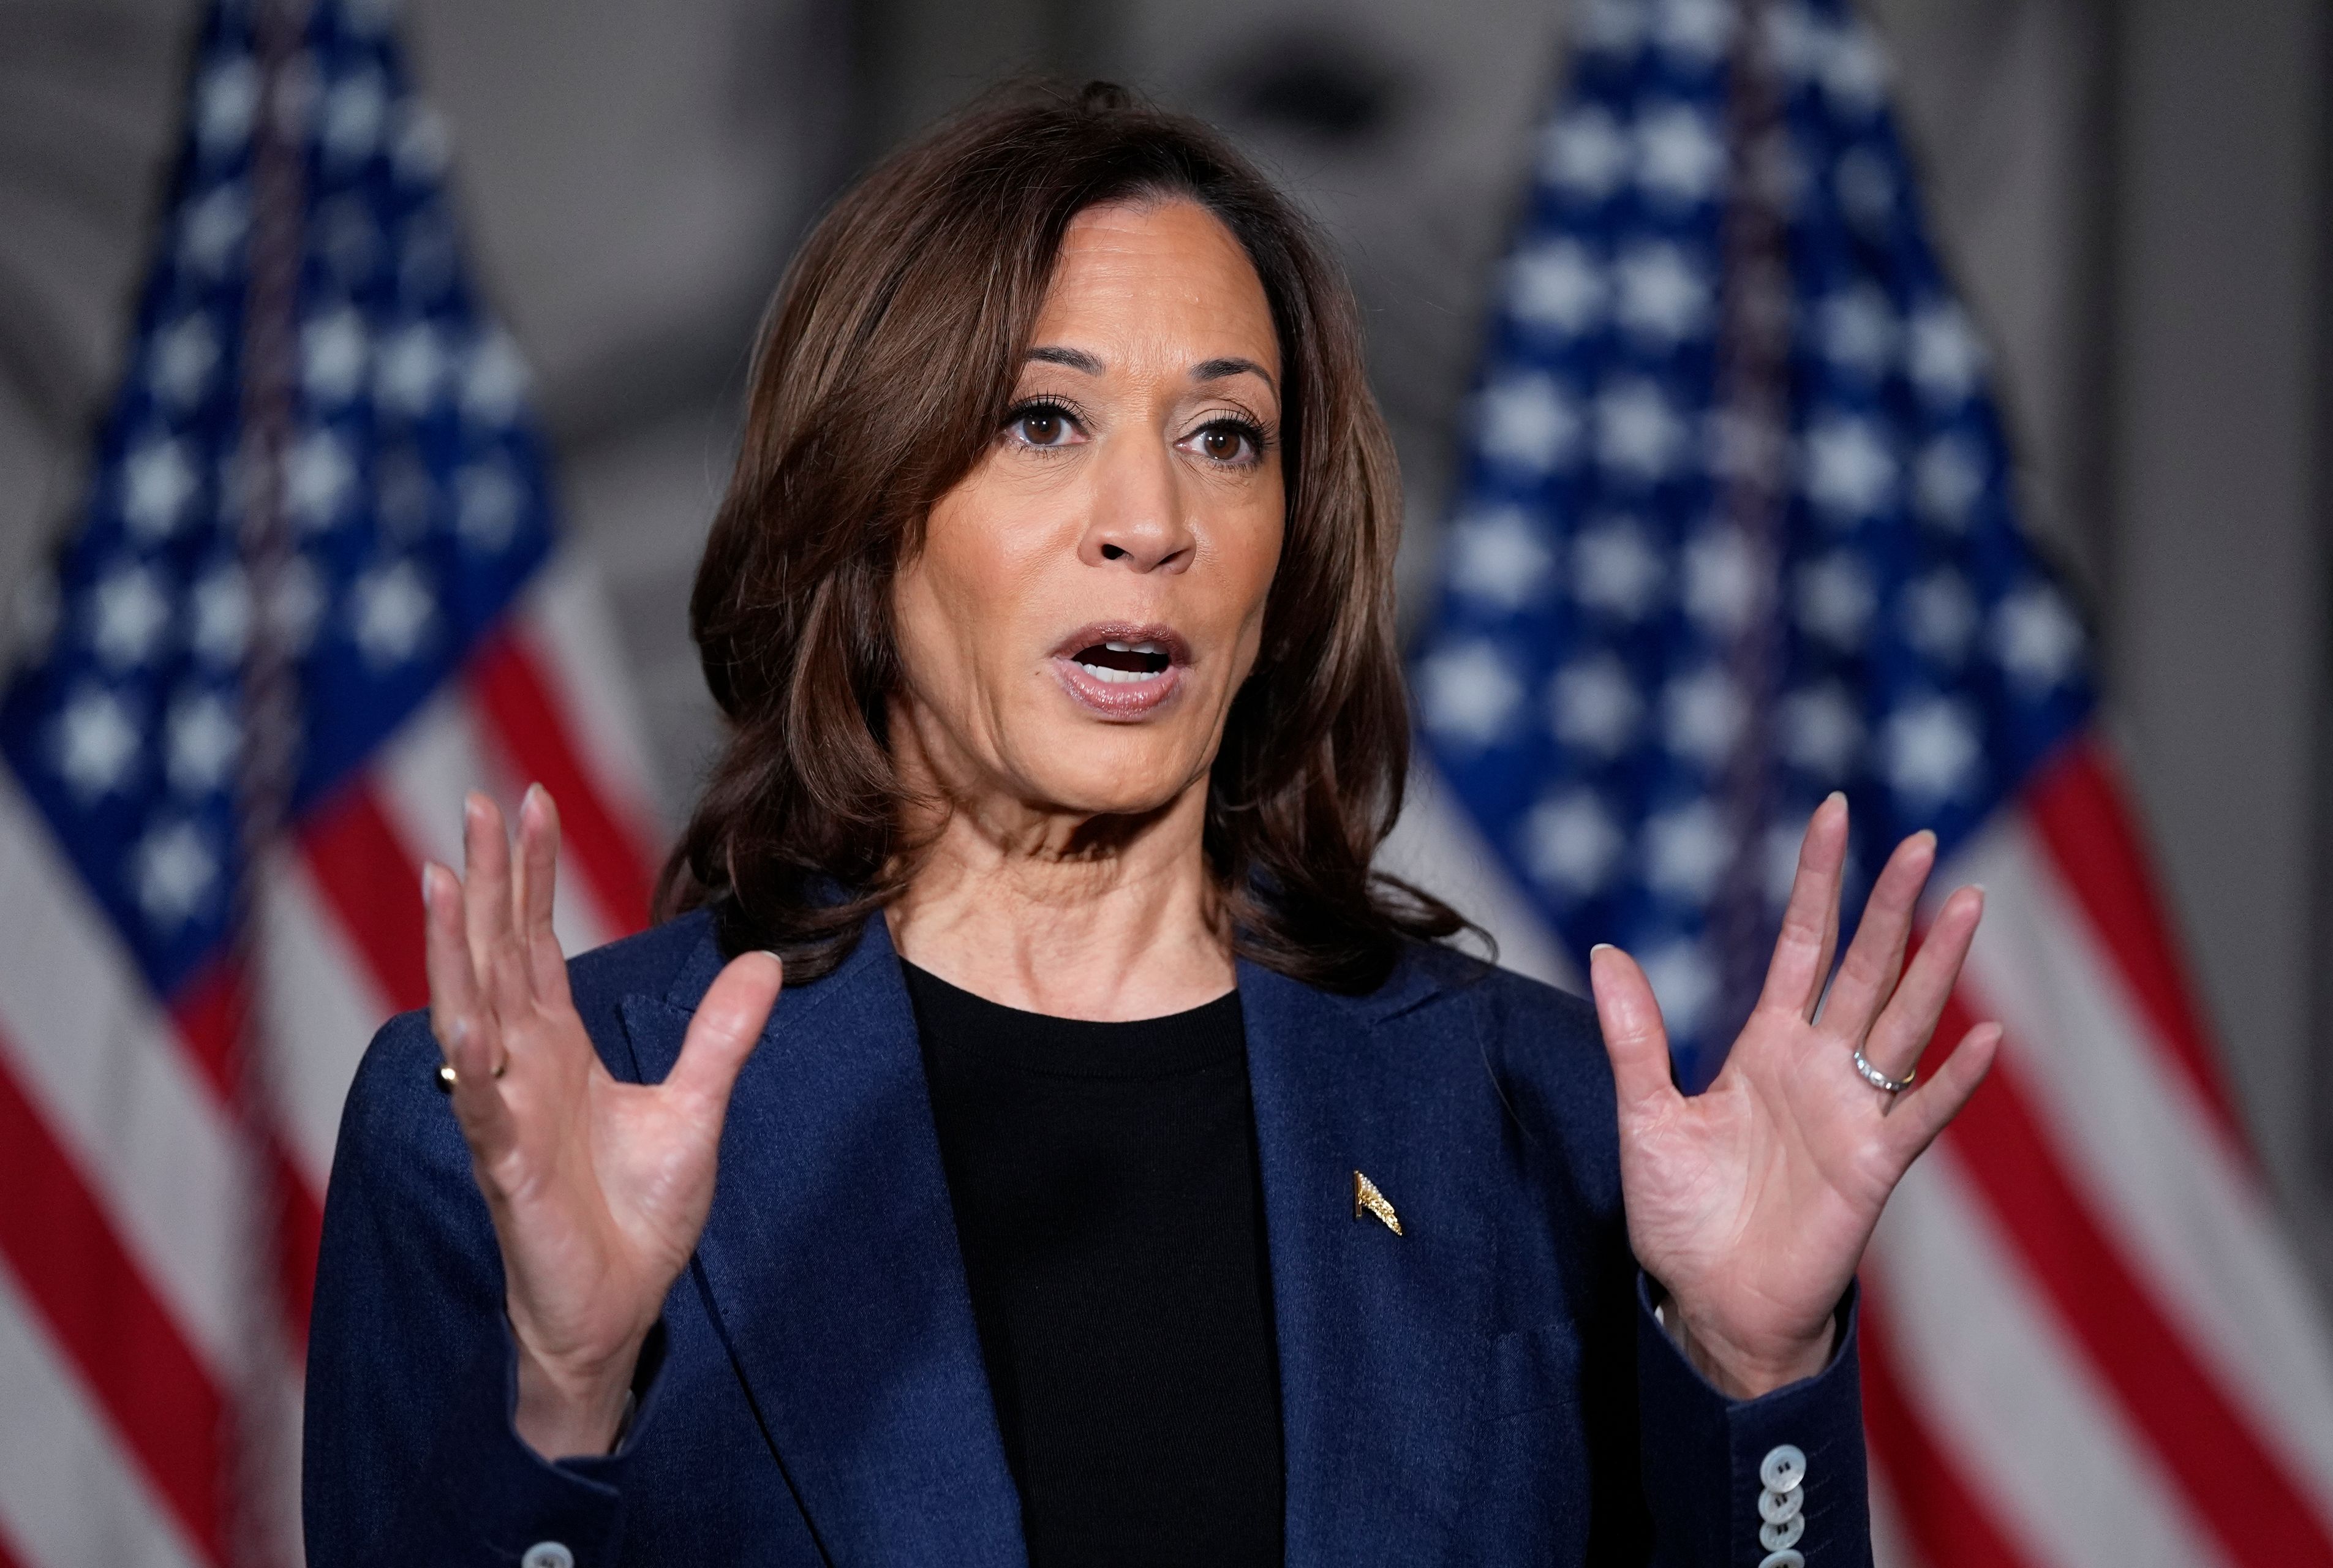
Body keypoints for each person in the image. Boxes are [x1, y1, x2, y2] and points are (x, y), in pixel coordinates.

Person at [302, 85, 1997, 1568]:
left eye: (1226, 437)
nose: (1152, 520)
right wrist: (566, 1402)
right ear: (864, 507)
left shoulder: (1538, 1125)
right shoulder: (526, 1123)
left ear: (1290, 556)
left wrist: (1760, 1382)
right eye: (1043, 421)